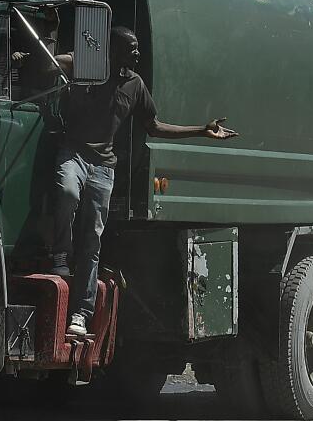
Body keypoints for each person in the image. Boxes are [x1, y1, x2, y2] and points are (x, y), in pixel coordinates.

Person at [52, 26, 238, 336]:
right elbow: (53, 63)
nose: (137, 53)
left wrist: (201, 131)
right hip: (74, 153)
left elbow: (154, 126)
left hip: (103, 167)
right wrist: (78, 56)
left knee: (92, 242)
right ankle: (59, 254)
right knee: (67, 190)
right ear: (113, 50)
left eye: (136, 48)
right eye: (131, 48)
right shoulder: (87, 70)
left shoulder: (135, 85)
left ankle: (81, 315)